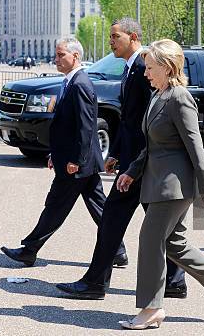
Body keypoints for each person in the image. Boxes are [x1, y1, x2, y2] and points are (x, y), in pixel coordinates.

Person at [115, 39, 204, 330]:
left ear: (167, 66)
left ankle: (151, 309)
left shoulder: (179, 97)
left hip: (173, 186)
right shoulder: (159, 95)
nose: (145, 73)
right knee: (175, 244)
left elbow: (195, 146)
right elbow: (151, 146)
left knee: (150, 241)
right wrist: (132, 172)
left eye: (150, 67)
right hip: (157, 182)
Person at [56, 19, 187, 300]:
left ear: (133, 37)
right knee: (162, 227)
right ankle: (175, 281)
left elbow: (152, 119)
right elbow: (129, 118)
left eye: (116, 36)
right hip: (135, 159)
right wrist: (115, 150)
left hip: (141, 163)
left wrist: (135, 161)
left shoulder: (142, 68)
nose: (111, 41)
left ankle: (95, 283)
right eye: (110, 36)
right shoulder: (131, 69)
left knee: (112, 220)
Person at [0, 38, 125, 266]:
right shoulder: (71, 81)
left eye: (60, 55)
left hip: (77, 163)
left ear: (75, 56)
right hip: (77, 160)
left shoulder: (80, 85)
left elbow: (87, 127)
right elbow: (67, 126)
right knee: (99, 207)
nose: (55, 59)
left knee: (55, 205)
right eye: (56, 55)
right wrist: (54, 153)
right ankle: (118, 251)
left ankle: (29, 249)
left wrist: (75, 159)